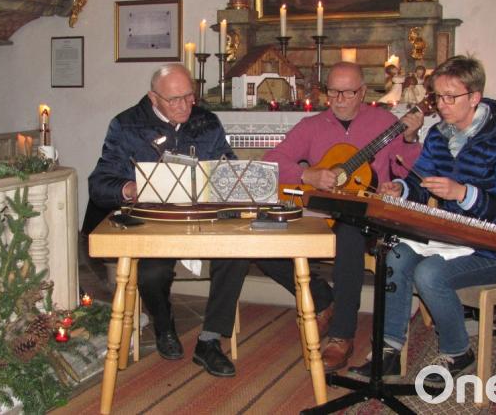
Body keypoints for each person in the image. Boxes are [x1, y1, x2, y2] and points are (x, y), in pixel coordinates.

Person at [350, 55, 496, 387]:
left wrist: (463, 193)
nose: (442, 106)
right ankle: (388, 348)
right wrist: (401, 189)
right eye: (438, 97)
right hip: (449, 238)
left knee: (429, 273)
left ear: (475, 97)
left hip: (495, 248)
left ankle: (458, 351)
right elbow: (420, 184)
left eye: (451, 97)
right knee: (394, 254)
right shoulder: (438, 136)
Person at [256, 61, 424, 372]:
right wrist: (309, 174)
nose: (340, 100)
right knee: (262, 237)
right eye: (333, 92)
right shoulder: (311, 126)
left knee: (349, 231)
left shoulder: (385, 122)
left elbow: (410, 171)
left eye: (348, 92)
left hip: (371, 216)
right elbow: (272, 162)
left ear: (362, 93)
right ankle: (322, 298)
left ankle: (341, 336)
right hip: (322, 214)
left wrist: (409, 147)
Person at [88, 63, 249, 377]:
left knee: (238, 252)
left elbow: (229, 167)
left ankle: (209, 340)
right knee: (152, 271)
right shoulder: (126, 125)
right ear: (153, 98)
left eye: (190, 97)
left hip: (202, 218)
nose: (186, 106)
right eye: (175, 100)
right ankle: (164, 327)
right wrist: (129, 188)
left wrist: (225, 178)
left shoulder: (207, 122)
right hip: (153, 221)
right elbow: (99, 184)